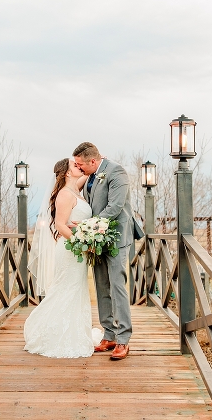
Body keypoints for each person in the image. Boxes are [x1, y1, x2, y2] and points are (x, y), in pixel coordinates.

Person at [23, 158, 94, 358]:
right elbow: (62, 226)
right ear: (66, 173)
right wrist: (84, 244)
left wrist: (95, 160)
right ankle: (49, 332)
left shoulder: (74, 189)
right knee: (66, 287)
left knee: (76, 288)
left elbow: (88, 171)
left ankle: (74, 332)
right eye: (74, 165)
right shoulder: (64, 194)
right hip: (71, 248)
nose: (79, 167)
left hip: (77, 248)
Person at [72, 142, 133, 361]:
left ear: (93, 161)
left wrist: (89, 227)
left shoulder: (117, 172)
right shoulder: (88, 175)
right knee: (101, 285)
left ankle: (124, 339)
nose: (79, 168)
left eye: (81, 164)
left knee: (117, 285)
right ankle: (109, 334)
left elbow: (115, 207)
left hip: (116, 236)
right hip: (97, 239)